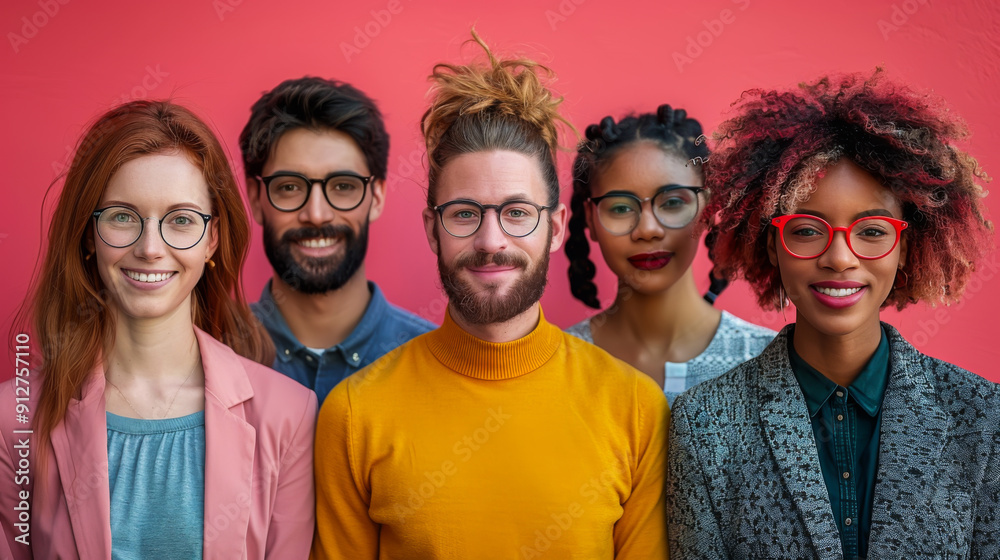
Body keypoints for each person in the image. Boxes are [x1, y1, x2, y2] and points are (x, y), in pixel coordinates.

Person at [311, 32, 669, 559]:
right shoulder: (354, 414)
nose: (490, 241)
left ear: (556, 227)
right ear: (432, 230)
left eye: (517, 213)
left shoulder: (635, 409)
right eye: (464, 213)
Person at [667, 70, 999, 559]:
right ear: (772, 245)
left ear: (905, 247)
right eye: (806, 230)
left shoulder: (984, 418)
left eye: (870, 230)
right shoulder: (703, 425)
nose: (840, 258)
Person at [0, 100, 316, 559]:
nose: (150, 248)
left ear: (212, 239)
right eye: (123, 216)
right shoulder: (14, 421)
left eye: (181, 220)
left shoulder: (287, 415)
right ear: (90, 234)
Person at [240, 77, 435, 405]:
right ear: (256, 199)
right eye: (289, 187)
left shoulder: (434, 364)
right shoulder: (206, 357)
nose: (316, 214)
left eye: (343, 186)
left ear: (376, 197)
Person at [565, 105, 775, 405]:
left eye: (673, 202)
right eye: (621, 207)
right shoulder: (559, 365)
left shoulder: (766, 362)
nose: (647, 229)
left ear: (708, 208)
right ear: (591, 219)